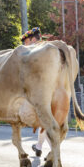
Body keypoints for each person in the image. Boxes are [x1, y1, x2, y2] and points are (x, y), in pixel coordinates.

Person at [21, 27, 51, 157]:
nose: (24, 45)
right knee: (44, 121)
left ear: (33, 39)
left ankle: (53, 151)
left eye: (26, 42)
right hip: (49, 89)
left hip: (41, 90)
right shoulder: (47, 49)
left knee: (45, 121)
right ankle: (39, 146)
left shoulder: (35, 52)